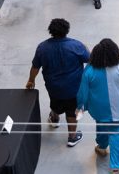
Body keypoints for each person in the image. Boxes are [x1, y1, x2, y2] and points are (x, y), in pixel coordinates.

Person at [76, 38, 119, 174]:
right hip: (118, 109)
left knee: (102, 125)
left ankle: (102, 146)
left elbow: (83, 92)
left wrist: (81, 106)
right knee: (118, 134)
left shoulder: (89, 70)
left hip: (98, 109)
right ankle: (117, 166)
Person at [25, 18, 90, 146]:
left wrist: (31, 81)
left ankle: (54, 119)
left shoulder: (42, 47)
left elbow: (35, 67)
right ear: (67, 30)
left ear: (51, 31)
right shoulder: (76, 45)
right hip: (74, 88)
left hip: (53, 87)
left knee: (55, 102)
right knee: (72, 112)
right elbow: (90, 59)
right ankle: (72, 137)